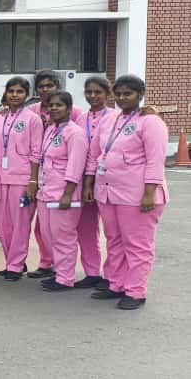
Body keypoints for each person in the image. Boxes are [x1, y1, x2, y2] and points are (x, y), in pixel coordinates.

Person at [86, 75, 168, 310]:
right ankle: (116, 284)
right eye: (119, 94)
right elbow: (95, 154)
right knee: (114, 240)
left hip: (137, 195)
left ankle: (136, 291)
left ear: (140, 95)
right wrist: (89, 184)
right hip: (108, 192)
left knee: (137, 244)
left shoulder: (150, 122)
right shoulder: (110, 119)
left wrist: (149, 193)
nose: (122, 98)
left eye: (128, 94)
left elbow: (155, 160)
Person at [0, 76, 44, 281]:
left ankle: (16, 265)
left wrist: (33, 181)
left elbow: (36, 153)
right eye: (11, 91)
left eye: (19, 92)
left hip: (22, 179)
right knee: (1, 223)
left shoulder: (33, 119)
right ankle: (12, 260)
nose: (14, 95)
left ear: (26, 95)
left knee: (20, 224)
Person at [37, 91, 90, 292]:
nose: (53, 108)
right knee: (48, 235)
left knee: (63, 237)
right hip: (46, 191)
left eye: (58, 105)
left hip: (64, 193)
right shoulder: (51, 129)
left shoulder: (75, 133)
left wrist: (67, 194)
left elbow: (75, 166)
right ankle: (59, 272)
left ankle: (65, 278)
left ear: (68, 109)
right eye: (51, 105)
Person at [72, 77, 115, 289]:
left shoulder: (116, 117)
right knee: (86, 228)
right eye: (89, 92)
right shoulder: (80, 118)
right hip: (84, 180)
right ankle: (91, 272)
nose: (93, 96)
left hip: (109, 180)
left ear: (108, 94)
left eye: (98, 92)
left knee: (113, 231)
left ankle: (112, 275)